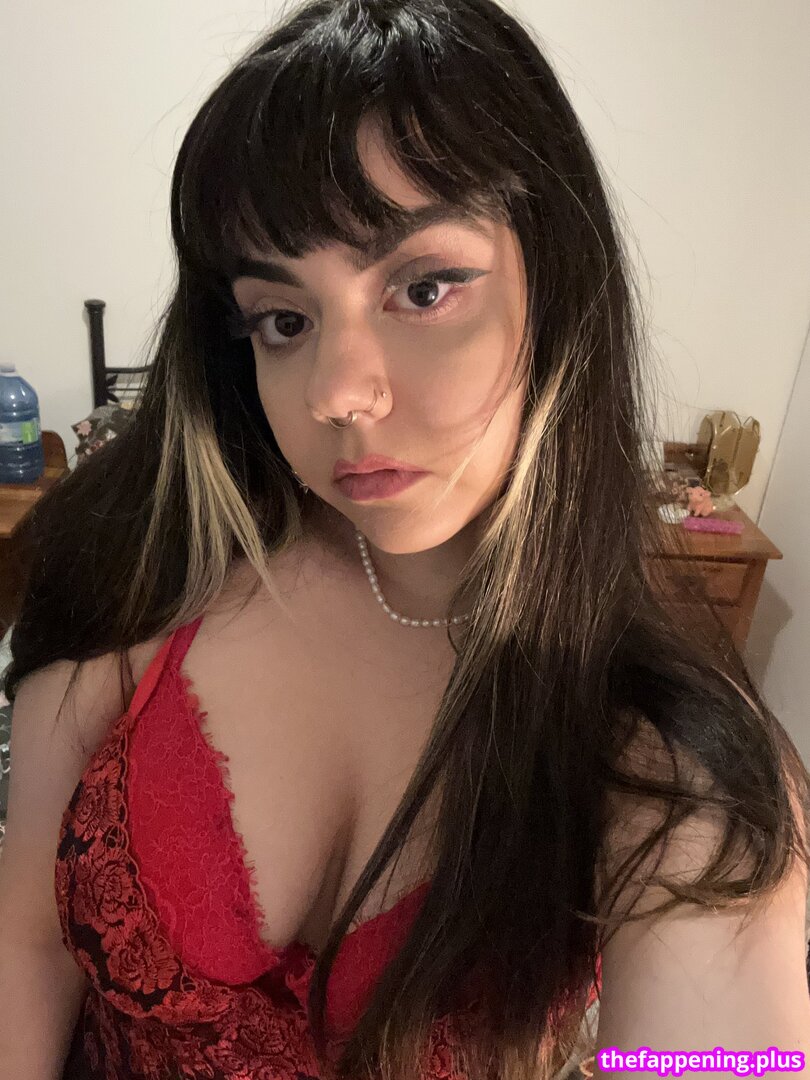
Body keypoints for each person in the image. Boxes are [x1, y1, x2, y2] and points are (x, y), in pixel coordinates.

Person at [1, 1, 808, 1078]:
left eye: (423, 289)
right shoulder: (137, 557)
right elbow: (28, 944)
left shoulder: (668, 760)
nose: (336, 391)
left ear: (556, 287)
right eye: (283, 320)